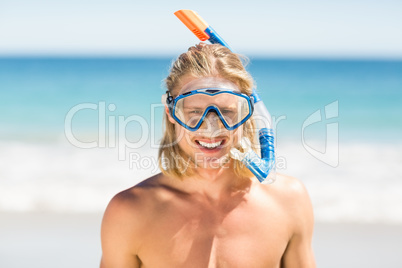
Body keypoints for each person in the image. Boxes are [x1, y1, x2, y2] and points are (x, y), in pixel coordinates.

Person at [100, 43, 315, 268]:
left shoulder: (288, 201)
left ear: (248, 113)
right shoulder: (129, 213)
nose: (211, 127)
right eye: (194, 112)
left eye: (227, 112)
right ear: (171, 113)